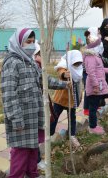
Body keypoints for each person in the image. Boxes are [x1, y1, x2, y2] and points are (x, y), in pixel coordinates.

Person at [1, 28, 43, 178]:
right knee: (20, 153)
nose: (31, 46)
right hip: (21, 120)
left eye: (33, 42)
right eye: (28, 42)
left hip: (33, 117)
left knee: (33, 149)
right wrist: (16, 119)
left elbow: (42, 80)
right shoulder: (12, 63)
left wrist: (63, 83)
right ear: (19, 43)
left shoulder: (30, 62)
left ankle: (32, 174)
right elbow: (9, 95)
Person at [32, 42, 70, 170]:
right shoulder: (34, 66)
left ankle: (35, 159)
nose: (41, 57)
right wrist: (64, 84)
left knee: (36, 134)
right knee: (33, 135)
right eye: (38, 55)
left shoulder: (37, 66)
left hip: (38, 103)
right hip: (32, 106)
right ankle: (35, 161)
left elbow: (46, 79)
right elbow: (47, 80)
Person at [50, 50, 83, 147]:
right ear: (71, 60)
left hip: (72, 99)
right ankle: (50, 134)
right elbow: (60, 72)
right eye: (75, 63)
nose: (77, 65)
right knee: (54, 116)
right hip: (61, 98)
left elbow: (79, 81)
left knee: (72, 118)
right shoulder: (65, 64)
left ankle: (72, 135)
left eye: (79, 63)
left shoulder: (79, 68)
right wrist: (65, 75)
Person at [84, 28, 108, 135]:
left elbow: (99, 69)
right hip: (94, 87)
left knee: (95, 107)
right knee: (93, 108)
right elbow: (91, 72)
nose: (101, 46)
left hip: (97, 85)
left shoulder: (96, 56)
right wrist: (96, 86)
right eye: (99, 44)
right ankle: (92, 127)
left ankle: (94, 124)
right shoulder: (91, 57)